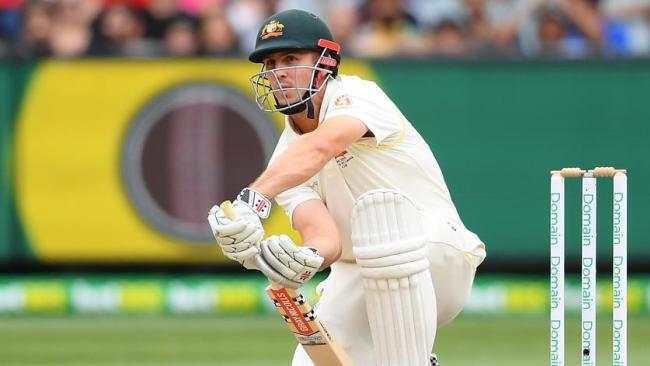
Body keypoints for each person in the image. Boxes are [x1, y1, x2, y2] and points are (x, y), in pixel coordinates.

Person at [207, 9, 486, 366]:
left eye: (290, 58)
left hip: (435, 252)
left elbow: (322, 146)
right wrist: (304, 258)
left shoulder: (357, 94)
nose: (278, 73)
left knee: (387, 246)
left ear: (325, 63)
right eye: (270, 63)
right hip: (359, 272)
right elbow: (327, 239)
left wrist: (253, 200)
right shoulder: (286, 162)